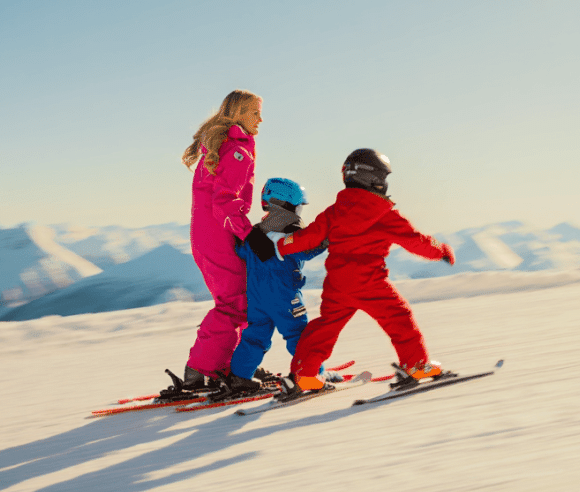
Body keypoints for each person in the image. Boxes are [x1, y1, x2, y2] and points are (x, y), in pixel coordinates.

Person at [275, 148, 456, 394]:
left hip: (337, 282)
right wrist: (441, 250)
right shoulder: (384, 214)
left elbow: (308, 236)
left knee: (325, 327)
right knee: (399, 318)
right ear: (372, 178)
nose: (384, 183)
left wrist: (282, 245)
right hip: (370, 281)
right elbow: (415, 240)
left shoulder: (334, 212)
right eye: (383, 178)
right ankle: (416, 365)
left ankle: (304, 376)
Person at [164, 90, 277, 399]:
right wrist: (251, 236)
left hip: (210, 232)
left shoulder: (225, 146)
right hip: (218, 233)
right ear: (239, 113)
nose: (260, 119)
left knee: (241, 299)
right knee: (235, 303)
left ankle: (234, 366)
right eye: (255, 113)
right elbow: (224, 203)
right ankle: (201, 370)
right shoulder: (236, 150)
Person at [219, 178, 327, 398]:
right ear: (285, 205)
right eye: (298, 207)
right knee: (298, 335)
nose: (299, 212)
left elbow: (241, 252)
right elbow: (307, 250)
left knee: (255, 337)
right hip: (284, 296)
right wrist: (326, 240)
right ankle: (311, 375)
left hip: (257, 299)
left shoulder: (254, 234)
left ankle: (239, 378)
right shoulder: (292, 234)